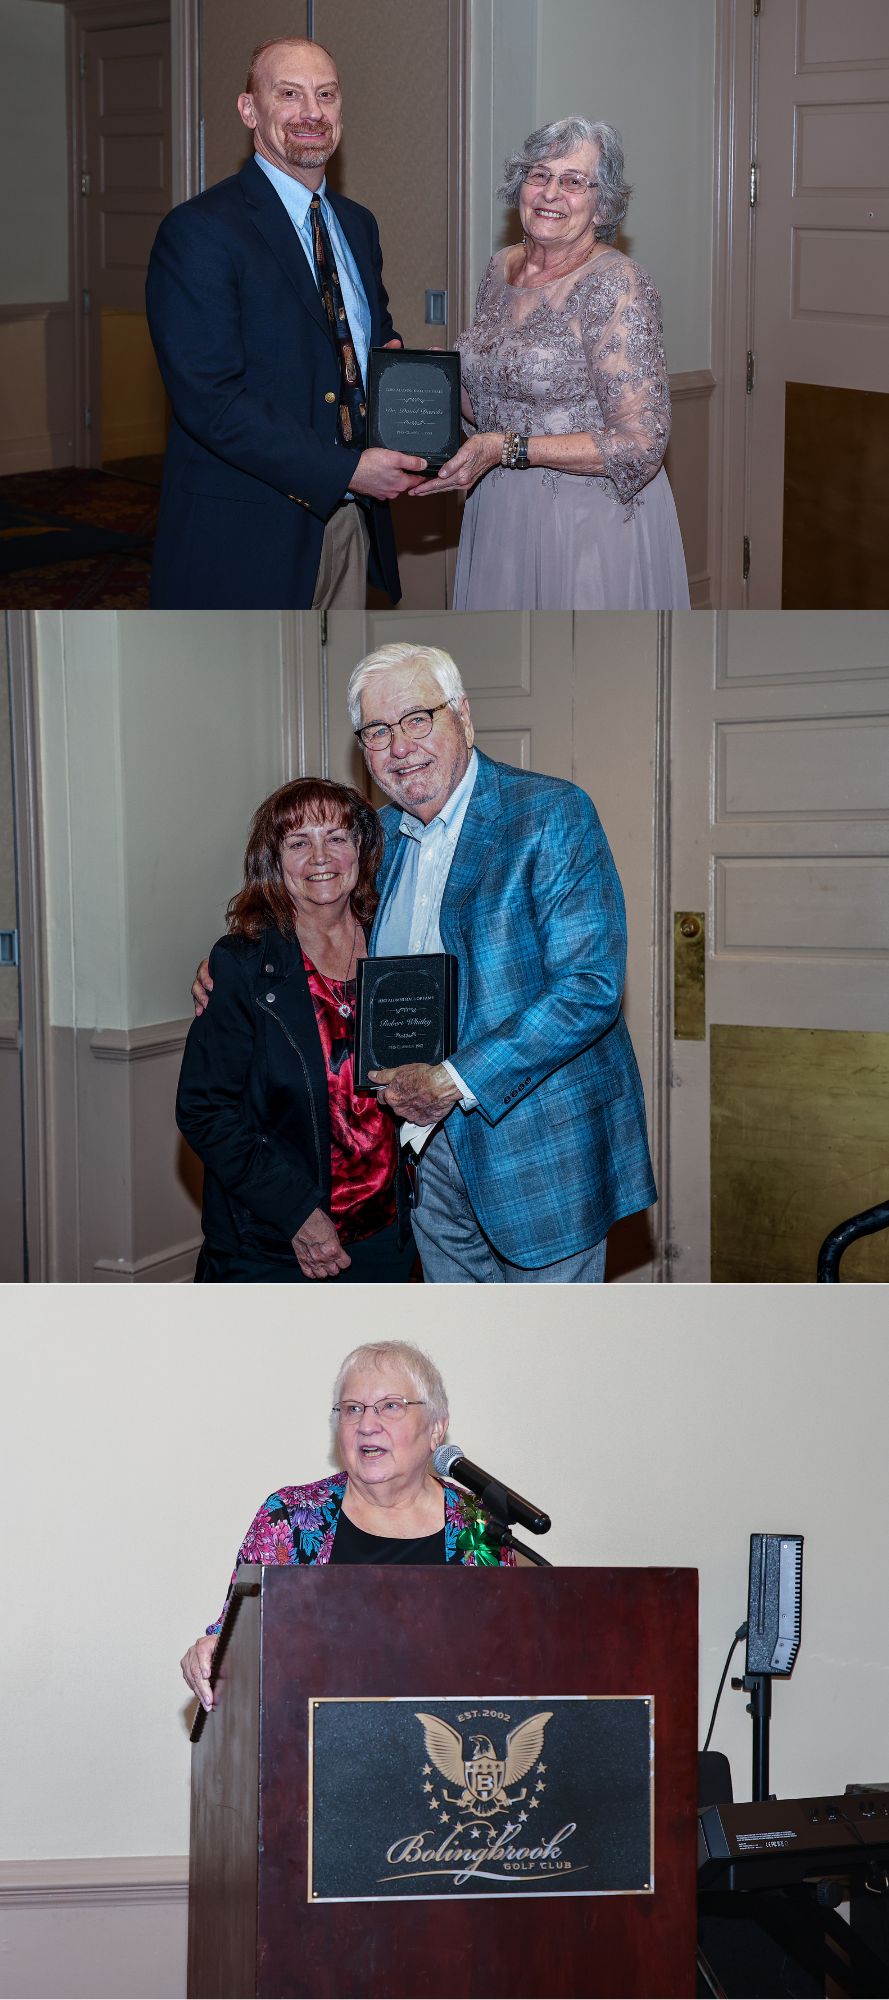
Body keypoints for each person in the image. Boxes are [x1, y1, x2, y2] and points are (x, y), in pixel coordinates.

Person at [194, 643, 656, 1282]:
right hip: (418, 1166)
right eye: (378, 731)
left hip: (537, 1161)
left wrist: (455, 1080)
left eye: (418, 718)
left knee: (552, 1359)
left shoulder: (550, 813)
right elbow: (313, 904)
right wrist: (233, 965)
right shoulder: (377, 839)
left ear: (462, 716)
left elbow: (590, 986)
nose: (400, 746)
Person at [146, 38, 427, 610]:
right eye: (289, 95)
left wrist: (410, 389)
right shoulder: (199, 232)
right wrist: (346, 470)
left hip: (351, 526)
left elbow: (363, 348)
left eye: (325, 95)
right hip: (248, 535)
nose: (311, 113)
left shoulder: (358, 225)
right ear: (250, 110)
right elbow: (212, 401)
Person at [413, 118, 690, 611]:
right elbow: (495, 407)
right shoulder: (500, 268)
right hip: (499, 510)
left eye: (573, 180)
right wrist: (435, 378)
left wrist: (511, 448)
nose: (550, 193)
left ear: (602, 203)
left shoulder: (618, 284)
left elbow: (641, 442)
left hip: (586, 527)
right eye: (539, 174)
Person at [180, 1341, 520, 1712]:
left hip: (438, 1750)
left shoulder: (478, 1526)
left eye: (390, 1406)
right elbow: (232, 1639)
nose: (367, 1426)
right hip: (308, 1749)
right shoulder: (290, 1517)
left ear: (437, 1427)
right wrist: (210, 1654)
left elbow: (502, 1659)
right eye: (352, 1409)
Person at [176, 778, 415, 1283]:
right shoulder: (241, 964)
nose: (320, 856)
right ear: (274, 860)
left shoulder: (399, 944)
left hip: (385, 1234)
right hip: (274, 1242)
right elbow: (204, 1111)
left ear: (361, 849)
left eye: (336, 837)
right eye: (298, 842)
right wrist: (298, 1215)